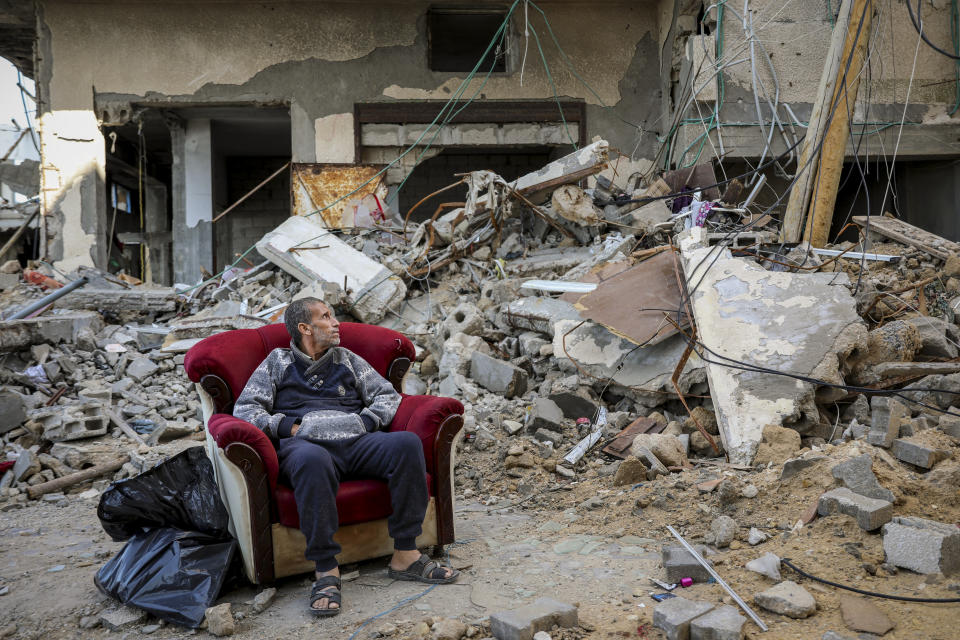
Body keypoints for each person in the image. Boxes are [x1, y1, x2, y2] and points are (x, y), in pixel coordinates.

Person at [233, 297, 457, 617]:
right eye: (326, 317)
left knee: (407, 444)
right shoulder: (277, 362)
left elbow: (385, 396)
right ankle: (326, 570)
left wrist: (365, 422)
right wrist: (289, 428)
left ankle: (406, 554)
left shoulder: (347, 359)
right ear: (305, 328)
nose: (336, 323)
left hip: (357, 442)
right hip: (307, 447)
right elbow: (246, 410)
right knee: (312, 460)